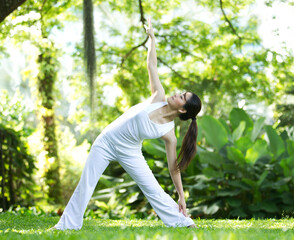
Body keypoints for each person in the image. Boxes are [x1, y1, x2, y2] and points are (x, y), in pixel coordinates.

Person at [51, 16, 201, 230]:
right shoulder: (158, 96)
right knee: (87, 183)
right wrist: (152, 39)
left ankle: (182, 221)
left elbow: (173, 168)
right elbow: (152, 65)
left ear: (183, 109)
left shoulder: (169, 133)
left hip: (130, 151)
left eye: (182, 97)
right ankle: (66, 225)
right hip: (106, 141)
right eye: (181, 93)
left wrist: (181, 195)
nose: (177, 94)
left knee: (152, 188)